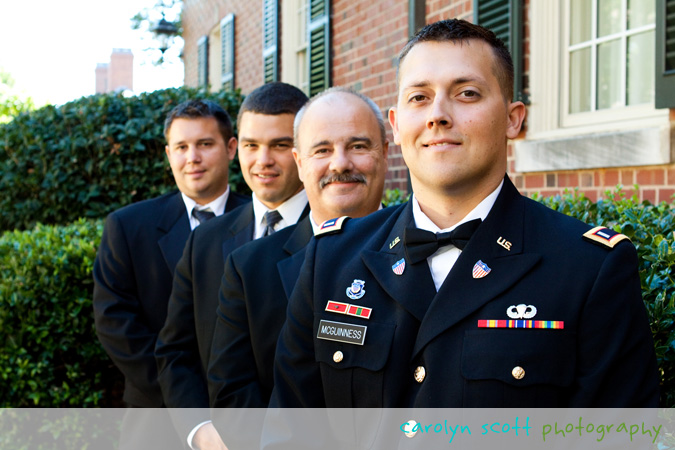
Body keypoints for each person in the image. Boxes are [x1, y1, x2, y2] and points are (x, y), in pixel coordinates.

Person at [269, 18, 659, 415]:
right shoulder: (330, 260)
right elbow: (289, 430)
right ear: (397, 125)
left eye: (467, 93)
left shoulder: (588, 268)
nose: (437, 115)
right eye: (419, 98)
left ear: (513, 118)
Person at [207, 88, 388, 426]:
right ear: (300, 162)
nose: (340, 163)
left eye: (358, 146)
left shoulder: (427, 247)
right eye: (322, 150)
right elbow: (232, 396)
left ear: (385, 153)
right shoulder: (248, 270)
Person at [154, 82, 308, 450]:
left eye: (280, 145)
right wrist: (200, 430)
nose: (263, 160)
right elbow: (176, 350)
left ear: (303, 150)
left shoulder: (336, 234)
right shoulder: (205, 242)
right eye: (252, 145)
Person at [93, 99, 249, 449]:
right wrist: (187, 402)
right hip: (156, 418)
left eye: (205, 144)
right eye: (181, 147)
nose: (191, 157)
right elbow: (114, 322)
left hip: (246, 416)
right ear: (168, 154)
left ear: (230, 148)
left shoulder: (265, 220)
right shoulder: (128, 227)